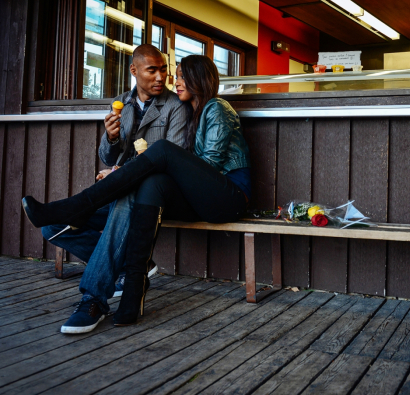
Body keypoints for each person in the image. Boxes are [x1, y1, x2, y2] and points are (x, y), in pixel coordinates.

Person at [23, 55, 251, 328]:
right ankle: (133, 286)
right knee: (148, 185)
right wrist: (113, 142)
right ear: (134, 71)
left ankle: (77, 210)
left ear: (198, 78)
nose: (172, 80)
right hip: (192, 197)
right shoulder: (178, 110)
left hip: (228, 195)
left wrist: (128, 171)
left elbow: (208, 166)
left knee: (160, 153)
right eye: (173, 75)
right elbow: (111, 156)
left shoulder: (215, 108)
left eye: (178, 75)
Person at [41, 43, 189, 333]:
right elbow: (107, 157)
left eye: (163, 70)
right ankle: (130, 266)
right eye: (152, 70)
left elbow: (173, 158)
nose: (160, 77)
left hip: (151, 196)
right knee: (53, 226)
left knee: (124, 199)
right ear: (134, 71)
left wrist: (122, 173)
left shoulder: (175, 107)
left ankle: (93, 298)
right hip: (118, 189)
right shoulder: (121, 103)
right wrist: (109, 138)